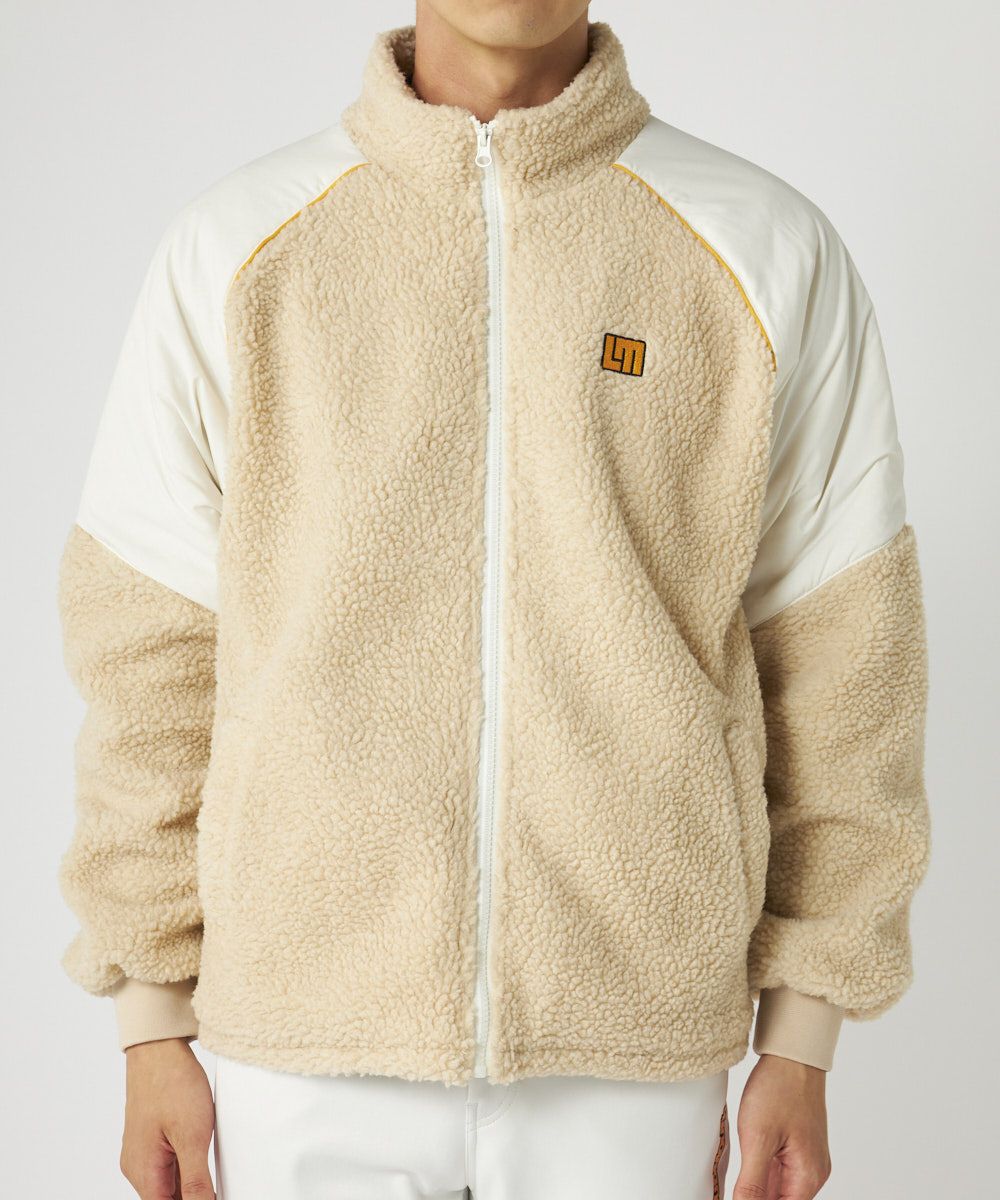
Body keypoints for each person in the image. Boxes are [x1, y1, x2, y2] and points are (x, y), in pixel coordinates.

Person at [56, 2, 931, 1197]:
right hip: (304, 1037)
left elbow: (846, 662)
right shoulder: (238, 247)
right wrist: (150, 1015)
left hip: (630, 1035)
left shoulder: (759, 244)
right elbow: (147, 650)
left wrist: (804, 1029)